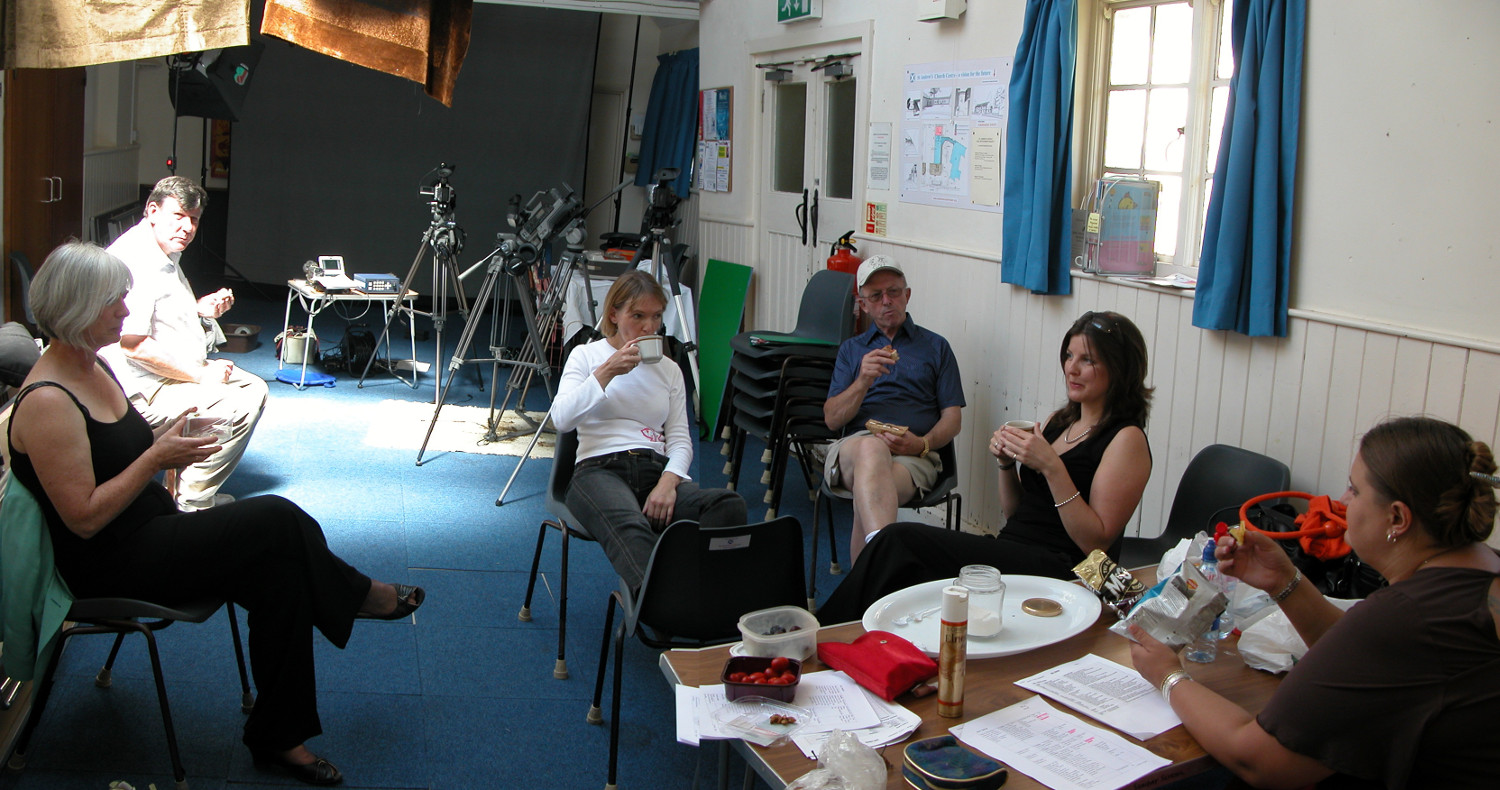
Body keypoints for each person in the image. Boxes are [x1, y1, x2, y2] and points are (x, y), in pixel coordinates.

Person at [8, 241, 424, 786]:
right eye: (114, 302)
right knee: (275, 518)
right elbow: (83, 518)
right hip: (109, 562)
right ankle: (359, 594)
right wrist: (156, 458)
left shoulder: (93, 365)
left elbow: (115, 452)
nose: (126, 312)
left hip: (150, 530)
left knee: (282, 574)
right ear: (78, 307)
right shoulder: (47, 401)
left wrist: (168, 435)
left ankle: (279, 737)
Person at [1129, 416, 1500, 789]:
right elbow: (1365, 663)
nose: (1342, 501)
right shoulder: (1479, 574)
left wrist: (1168, 675)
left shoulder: (1407, 616)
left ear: (1398, 517)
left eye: (1354, 490)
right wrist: (1284, 581)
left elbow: (1259, 760)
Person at [817, 310, 1152, 623]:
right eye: (1068, 356)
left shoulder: (1126, 439)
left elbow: (1095, 545)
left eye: (1087, 360)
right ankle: (856, 637)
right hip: (1012, 548)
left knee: (899, 540)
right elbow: (1017, 513)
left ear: (1119, 369)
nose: (1071, 368)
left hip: (1061, 567)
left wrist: (1052, 468)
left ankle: (825, 632)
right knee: (902, 563)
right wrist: (1005, 465)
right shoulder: (1058, 422)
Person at [551, 270, 747, 591]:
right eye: (638, 316)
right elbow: (562, 419)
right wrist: (607, 372)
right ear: (614, 315)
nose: (649, 327)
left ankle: (699, 596)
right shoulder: (586, 356)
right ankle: (668, 604)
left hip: (654, 469)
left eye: (656, 316)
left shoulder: (669, 369)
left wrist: (669, 483)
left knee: (728, 505)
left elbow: (680, 440)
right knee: (632, 526)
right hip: (598, 469)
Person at [99, 176, 267, 511]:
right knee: (240, 403)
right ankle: (192, 504)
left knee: (253, 387)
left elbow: (157, 316)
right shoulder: (137, 262)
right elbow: (132, 344)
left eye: (194, 219)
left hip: (166, 373)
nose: (187, 228)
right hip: (142, 390)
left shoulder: (161, 248)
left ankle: (182, 491)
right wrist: (200, 375)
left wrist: (199, 310)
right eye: (178, 216)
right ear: (152, 211)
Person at [822, 255, 966, 563]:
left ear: (907, 295)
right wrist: (863, 380)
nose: (887, 301)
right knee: (872, 450)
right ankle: (885, 556)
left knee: (870, 491)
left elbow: (953, 418)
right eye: (876, 296)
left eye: (894, 292)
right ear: (863, 304)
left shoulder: (936, 347)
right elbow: (832, 420)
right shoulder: (852, 350)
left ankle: (869, 578)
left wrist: (923, 444)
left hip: (914, 455)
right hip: (855, 448)